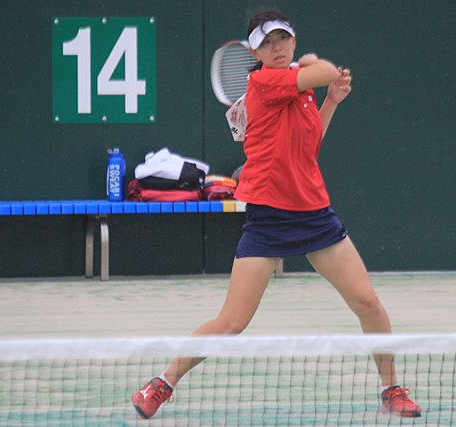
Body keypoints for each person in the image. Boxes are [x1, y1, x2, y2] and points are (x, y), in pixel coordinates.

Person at [132, 9, 421, 420]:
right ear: (255, 52)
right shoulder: (265, 82)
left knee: (368, 303)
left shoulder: (299, 88)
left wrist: (330, 101)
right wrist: (312, 66)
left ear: (293, 39)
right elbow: (325, 70)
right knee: (231, 323)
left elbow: (308, 146)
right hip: (269, 219)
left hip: (314, 215)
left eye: (283, 38)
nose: (277, 47)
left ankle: (391, 389)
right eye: (267, 43)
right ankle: (161, 383)